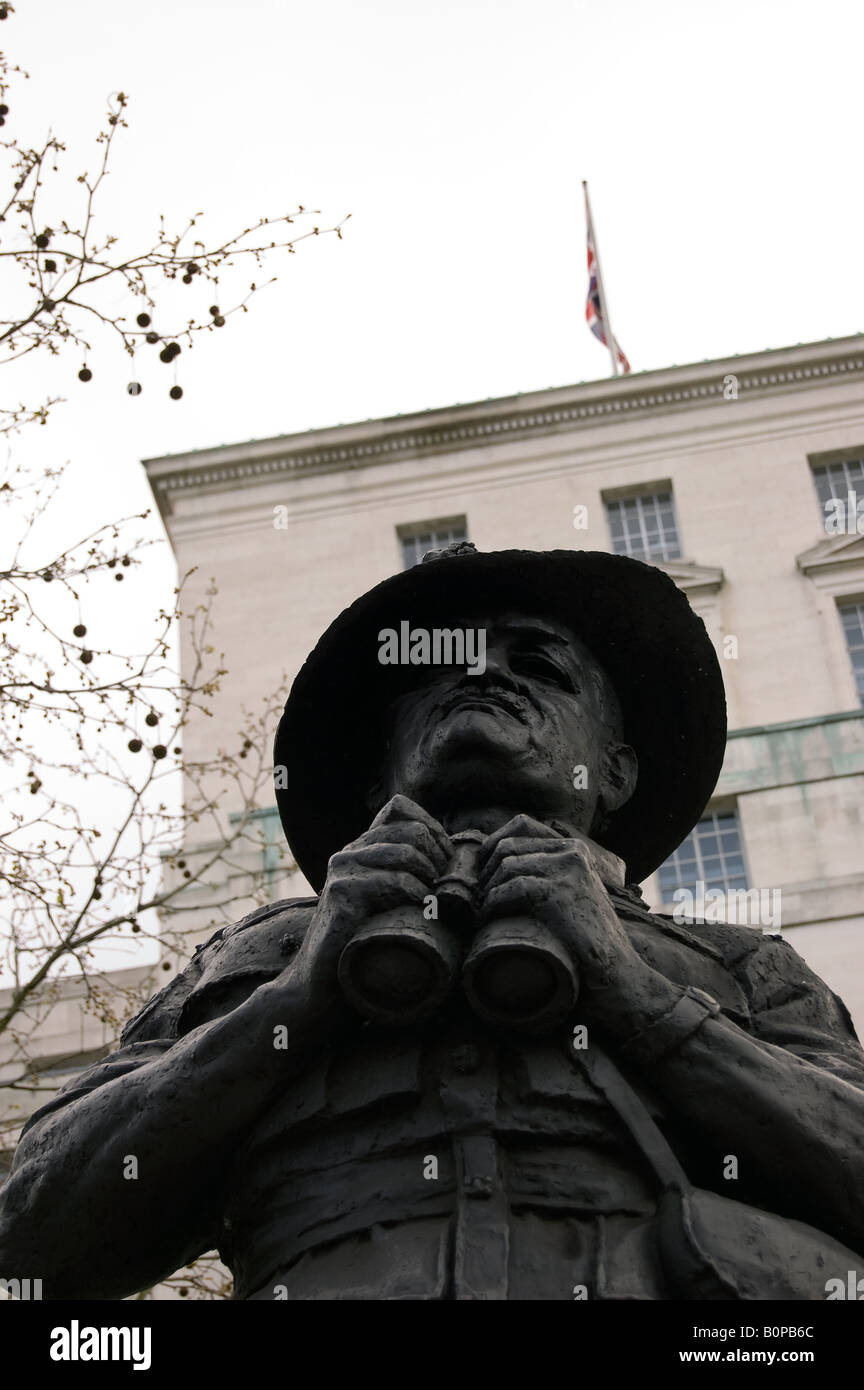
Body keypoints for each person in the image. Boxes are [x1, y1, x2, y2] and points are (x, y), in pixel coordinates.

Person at [2, 544, 863, 1300]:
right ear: (379, 779)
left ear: (616, 772)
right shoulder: (263, 953)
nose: (484, 675)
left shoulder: (740, 963)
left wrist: (639, 998)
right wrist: (295, 1003)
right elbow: (29, 1238)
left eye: (540, 667)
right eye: (440, 667)